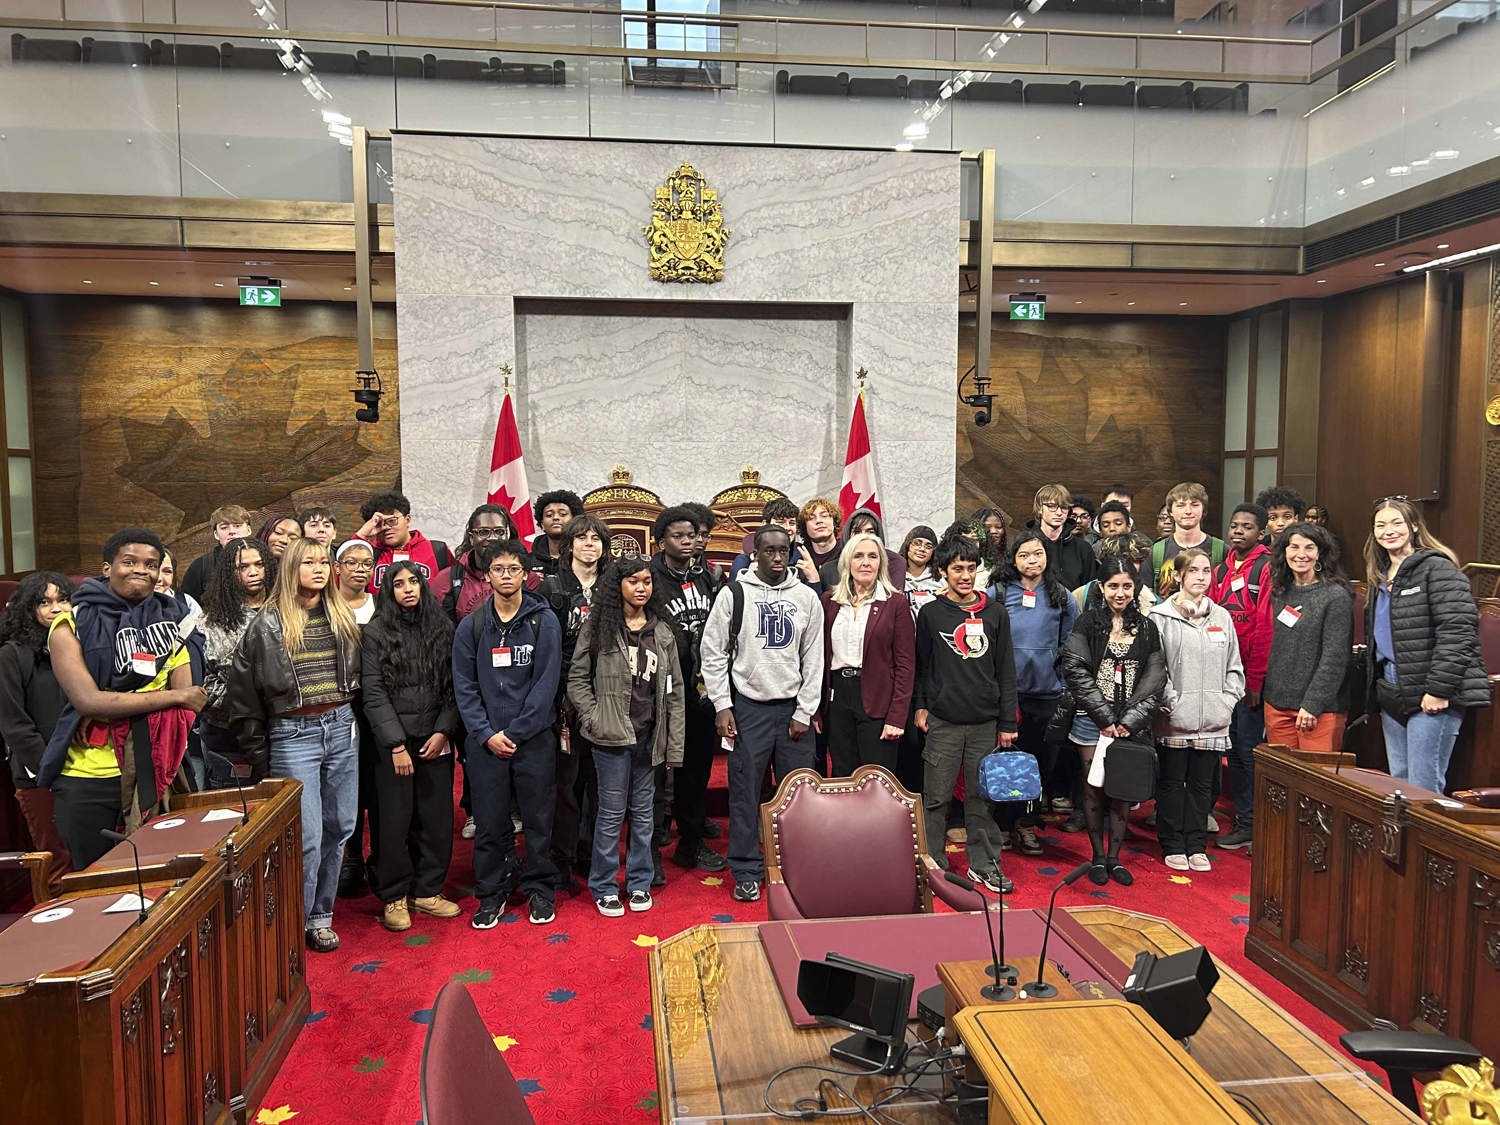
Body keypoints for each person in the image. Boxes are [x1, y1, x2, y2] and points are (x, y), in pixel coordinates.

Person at [39, 529, 206, 869]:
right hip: (90, 777)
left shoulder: (174, 621)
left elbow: (189, 704)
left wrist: (117, 704)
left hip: (157, 767)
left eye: (151, 564)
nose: (141, 570)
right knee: (96, 880)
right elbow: (88, 701)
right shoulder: (70, 624)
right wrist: (170, 696)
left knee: (162, 877)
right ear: (107, 568)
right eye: (129, 562)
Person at [227, 536, 361, 952]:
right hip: (293, 733)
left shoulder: (341, 613)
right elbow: (243, 695)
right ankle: (291, 924)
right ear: (290, 569)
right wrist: (259, 755)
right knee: (306, 837)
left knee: (341, 827)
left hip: (341, 725)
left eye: (323, 562)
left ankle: (320, 917)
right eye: (309, 563)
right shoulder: (266, 623)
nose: (319, 569)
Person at [701, 525, 825, 903]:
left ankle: (794, 866)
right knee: (744, 792)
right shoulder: (734, 594)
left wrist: (805, 710)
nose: (776, 557)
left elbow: (814, 658)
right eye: (768, 550)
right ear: (755, 554)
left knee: (797, 795)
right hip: (749, 707)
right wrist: (722, 704)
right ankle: (746, 869)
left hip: (792, 710)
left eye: (783, 550)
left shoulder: (806, 597)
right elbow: (713, 652)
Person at [451, 537, 562, 928]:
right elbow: (464, 686)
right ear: (487, 576)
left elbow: (546, 684)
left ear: (526, 574)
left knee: (538, 820)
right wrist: (485, 734)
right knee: (489, 822)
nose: (506, 576)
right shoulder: (472, 625)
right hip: (485, 742)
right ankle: (491, 892)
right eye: (498, 569)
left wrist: (517, 731)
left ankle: (540, 888)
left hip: (533, 739)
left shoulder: (543, 621)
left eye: (514, 569)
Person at [567, 556, 685, 917]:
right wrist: (594, 718)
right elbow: (577, 679)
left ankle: (638, 882)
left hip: (649, 738)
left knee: (645, 815)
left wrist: (673, 744)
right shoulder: (599, 626)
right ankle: (604, 885)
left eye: (646, 581)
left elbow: (675, 691)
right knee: (610, 815)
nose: (641, 588)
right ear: (617, 585)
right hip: (611, 739)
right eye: (633, 581)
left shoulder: (662, 632)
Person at [913, 533, 1018, 894]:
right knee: (936, 797)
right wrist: (921, 705)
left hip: (985, 723)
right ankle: (933, 863)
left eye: (971, 568)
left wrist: (1007, 721)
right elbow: (922, 666)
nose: (965, 575)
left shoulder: (995, 612)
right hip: (943, 721)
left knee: (981, 798)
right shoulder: (931, 614)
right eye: (958, 568)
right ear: (943, 571)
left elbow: (1006, 670)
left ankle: (984, 864)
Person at [362, 562, 462, 932]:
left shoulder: (442, 627)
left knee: (436, 821)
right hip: (393, 747)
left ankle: (428, 891)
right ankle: (394, 896)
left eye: (414, 582)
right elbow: (373, 693)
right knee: (393, 822)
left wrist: (443, 731)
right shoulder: (375, 633)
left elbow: (455, 685)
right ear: (388, 591)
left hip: (435, 739)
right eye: (399, 584)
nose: (408, 588)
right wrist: (395, 745)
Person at [1363, 498, 1489, 794]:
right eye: (1381, 525)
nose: (1388, 531)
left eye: (1397, 523)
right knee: (1399, 782)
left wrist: (1439, 689)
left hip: (1430, 687)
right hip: (1391, 686)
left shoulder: (1437, 568)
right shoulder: (1380, 574)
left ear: (1414, 526)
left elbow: (1458, 632)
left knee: (1424, 786)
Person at [1055, 556, 1166, 887]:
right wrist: (1104, 718)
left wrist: (1129, 721)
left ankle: (1115, 858)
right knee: (1093, 788)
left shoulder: (1147, 627)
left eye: (1127, 586)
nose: (1120, 593)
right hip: (1091, 719)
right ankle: (1097, 857)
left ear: (1135, 589)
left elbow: (1155, 678)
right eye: (1113, 586)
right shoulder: (1087, 623)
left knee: (1121, 789)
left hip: (1131, 722)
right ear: (1101, 588)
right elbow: (1075, 670)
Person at [1150, 548, 1245, 873]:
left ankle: (1196, 844)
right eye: (1193, 571)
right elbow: (1156, 668)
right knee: (1172, 783)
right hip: (1175, 718)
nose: (1201, 577)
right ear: (1179, 575)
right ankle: (1172, 843)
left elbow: (1235, 667)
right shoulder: (1160, 617)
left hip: (1213, 720)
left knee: (1203, 786)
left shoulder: (1222, 617)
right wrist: (1171, 701)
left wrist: (1227, 701)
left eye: (1206, 571)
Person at [649, 506, 728, 879]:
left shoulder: (708, 576)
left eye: (692, 535)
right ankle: (650, 847)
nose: (687, 542)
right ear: (661, 540)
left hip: (699, 687)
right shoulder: (648, 577)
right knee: (653, 772)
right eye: (678, 536)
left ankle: (690, 842)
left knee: (696, 768)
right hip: (659, 689)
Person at [992, 530, 1078, 854]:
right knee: (1005, 764)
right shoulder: (998, 592)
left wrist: (1063, 682)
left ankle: (1026, 824)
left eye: (1038, 554)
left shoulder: (1061, 595)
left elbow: (1071, 643)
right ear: (1013, 560)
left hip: (1047, 695)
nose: (1032, 561)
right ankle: (1002, 824)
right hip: (1008, 697)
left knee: (1039, 765)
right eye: (1025, 555)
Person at [538, 512, 610, 888]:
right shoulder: (550, 587)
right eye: (581, 538)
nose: (589, 544)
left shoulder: (612, 587)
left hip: (606, 695)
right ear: (568, 546)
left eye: (595, 539)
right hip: (563, 696)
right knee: (565, 781)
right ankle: (561, 856)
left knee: (599, 780)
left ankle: (591, 852)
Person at [0, 572, 75, 890]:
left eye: (63, 600)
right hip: (40, 776)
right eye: (45, 602)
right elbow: (14, 725)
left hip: (86, 768)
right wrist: (51, 768)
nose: (56, 608)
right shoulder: (11, 654)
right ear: (28, 608)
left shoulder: (79, 645)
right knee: (58, 863)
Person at [816, 532, 914, 776]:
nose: (866, 562)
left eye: (873, 556)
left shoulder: (895, 603)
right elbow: (819, 658)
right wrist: (816, 708)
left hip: (878, 700)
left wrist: (897, 717)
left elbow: (906, 665)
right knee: (842, 775)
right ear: (847, 562)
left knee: (877, 779)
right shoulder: (829, 601)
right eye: (858, 556)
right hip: (837, 700)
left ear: (881, 563)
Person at [1209, 503, 1274, 850]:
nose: (1238, 531)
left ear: (1261, 533)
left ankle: (1253, 822)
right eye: (1234, 525)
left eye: (1247, 527)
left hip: (1249, 678)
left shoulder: (1266, 568)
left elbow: (1265, 627)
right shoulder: (1220, 570)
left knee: (1248, 750)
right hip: (1222, 676)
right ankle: (1243, 818)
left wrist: (1255, 680)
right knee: (1231, 749)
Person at [1262, 523, 1353, 751]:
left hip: (1318, 710)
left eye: (1309, 548)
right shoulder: (1279, 592)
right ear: (1284, 552)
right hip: (1277, 704)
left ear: (1320, 553)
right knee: (1279, 772)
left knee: (1314, 774)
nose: (1301, 554)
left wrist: (1313, 703)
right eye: (1294, 547)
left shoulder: (1335, 597)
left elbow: (1335, 658)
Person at [198, 537, 274, 777]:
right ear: (228, 574)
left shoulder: (286, 611)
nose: (253, 572)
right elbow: (201, 683)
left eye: (259, 564)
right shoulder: (209, 623)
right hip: (229, 733)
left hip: (283, 728)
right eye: (243, 567)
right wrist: (247, 702)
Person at [353, 491, 454, 598]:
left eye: (392, 521)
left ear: (408, 520)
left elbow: (456, 590)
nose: (386, 528)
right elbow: (344, 583)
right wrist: (361, 535)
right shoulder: (368, 554)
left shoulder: (437, 551)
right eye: (379, 524)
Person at [1151, 482, 1226, 593]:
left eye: (1195, 505)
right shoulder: (1156, 551)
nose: (1188, 511)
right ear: (1170, 511)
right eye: (1180, 505)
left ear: (1203, 509)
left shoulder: (1221, 550)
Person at [816, 508, 907, 590]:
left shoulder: (895, 563)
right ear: (848, 535)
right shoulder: (828, 570)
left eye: (870, 532)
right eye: (857, 532)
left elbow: (894, 599)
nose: (863, 537)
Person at [1027, 484, 1096, 590]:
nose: (1059, 513)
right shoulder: (1024, 544)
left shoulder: (1083, 548)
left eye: (1064, 507)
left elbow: (1089, 591)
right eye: (1051, 506)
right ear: (1040, 508)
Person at [181, 503, 252, 603]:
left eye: (237, 526)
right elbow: (187, 605)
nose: (232, 531)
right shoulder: (201, 566)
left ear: (249, 530)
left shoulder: (265, 560)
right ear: (216, 534)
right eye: (224, 527)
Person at [730, 498, 804, 581]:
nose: (787, 527)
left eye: (792, 523)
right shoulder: (744, 562)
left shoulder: (802, 555)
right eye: (780, 522)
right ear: (765, 524)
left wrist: (812, 578)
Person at [528, 490, 585, 580]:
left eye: (562, 514)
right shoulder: (527, 561)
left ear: (575, 521)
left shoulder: (586, 556)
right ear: (542, 524)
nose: (555, 518)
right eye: (549, 515)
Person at [900, 525, 942, 620]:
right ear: (907, 545)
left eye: (928, 546)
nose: (922, 549)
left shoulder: (940, 580)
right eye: (917, 543)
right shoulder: (896, 576)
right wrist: (932, 597)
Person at [334, 539, 377, 625]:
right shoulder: (326, 604)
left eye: (367, 564)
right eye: (352, 563)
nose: (360, 569)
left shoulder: (380, 604)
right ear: (337, 567)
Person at [798, 498, 844, 578]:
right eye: (811, 518)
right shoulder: (798, 555)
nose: (819, 521)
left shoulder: (848, 550)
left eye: (824, 516)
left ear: (834, 521)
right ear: (805, 527)